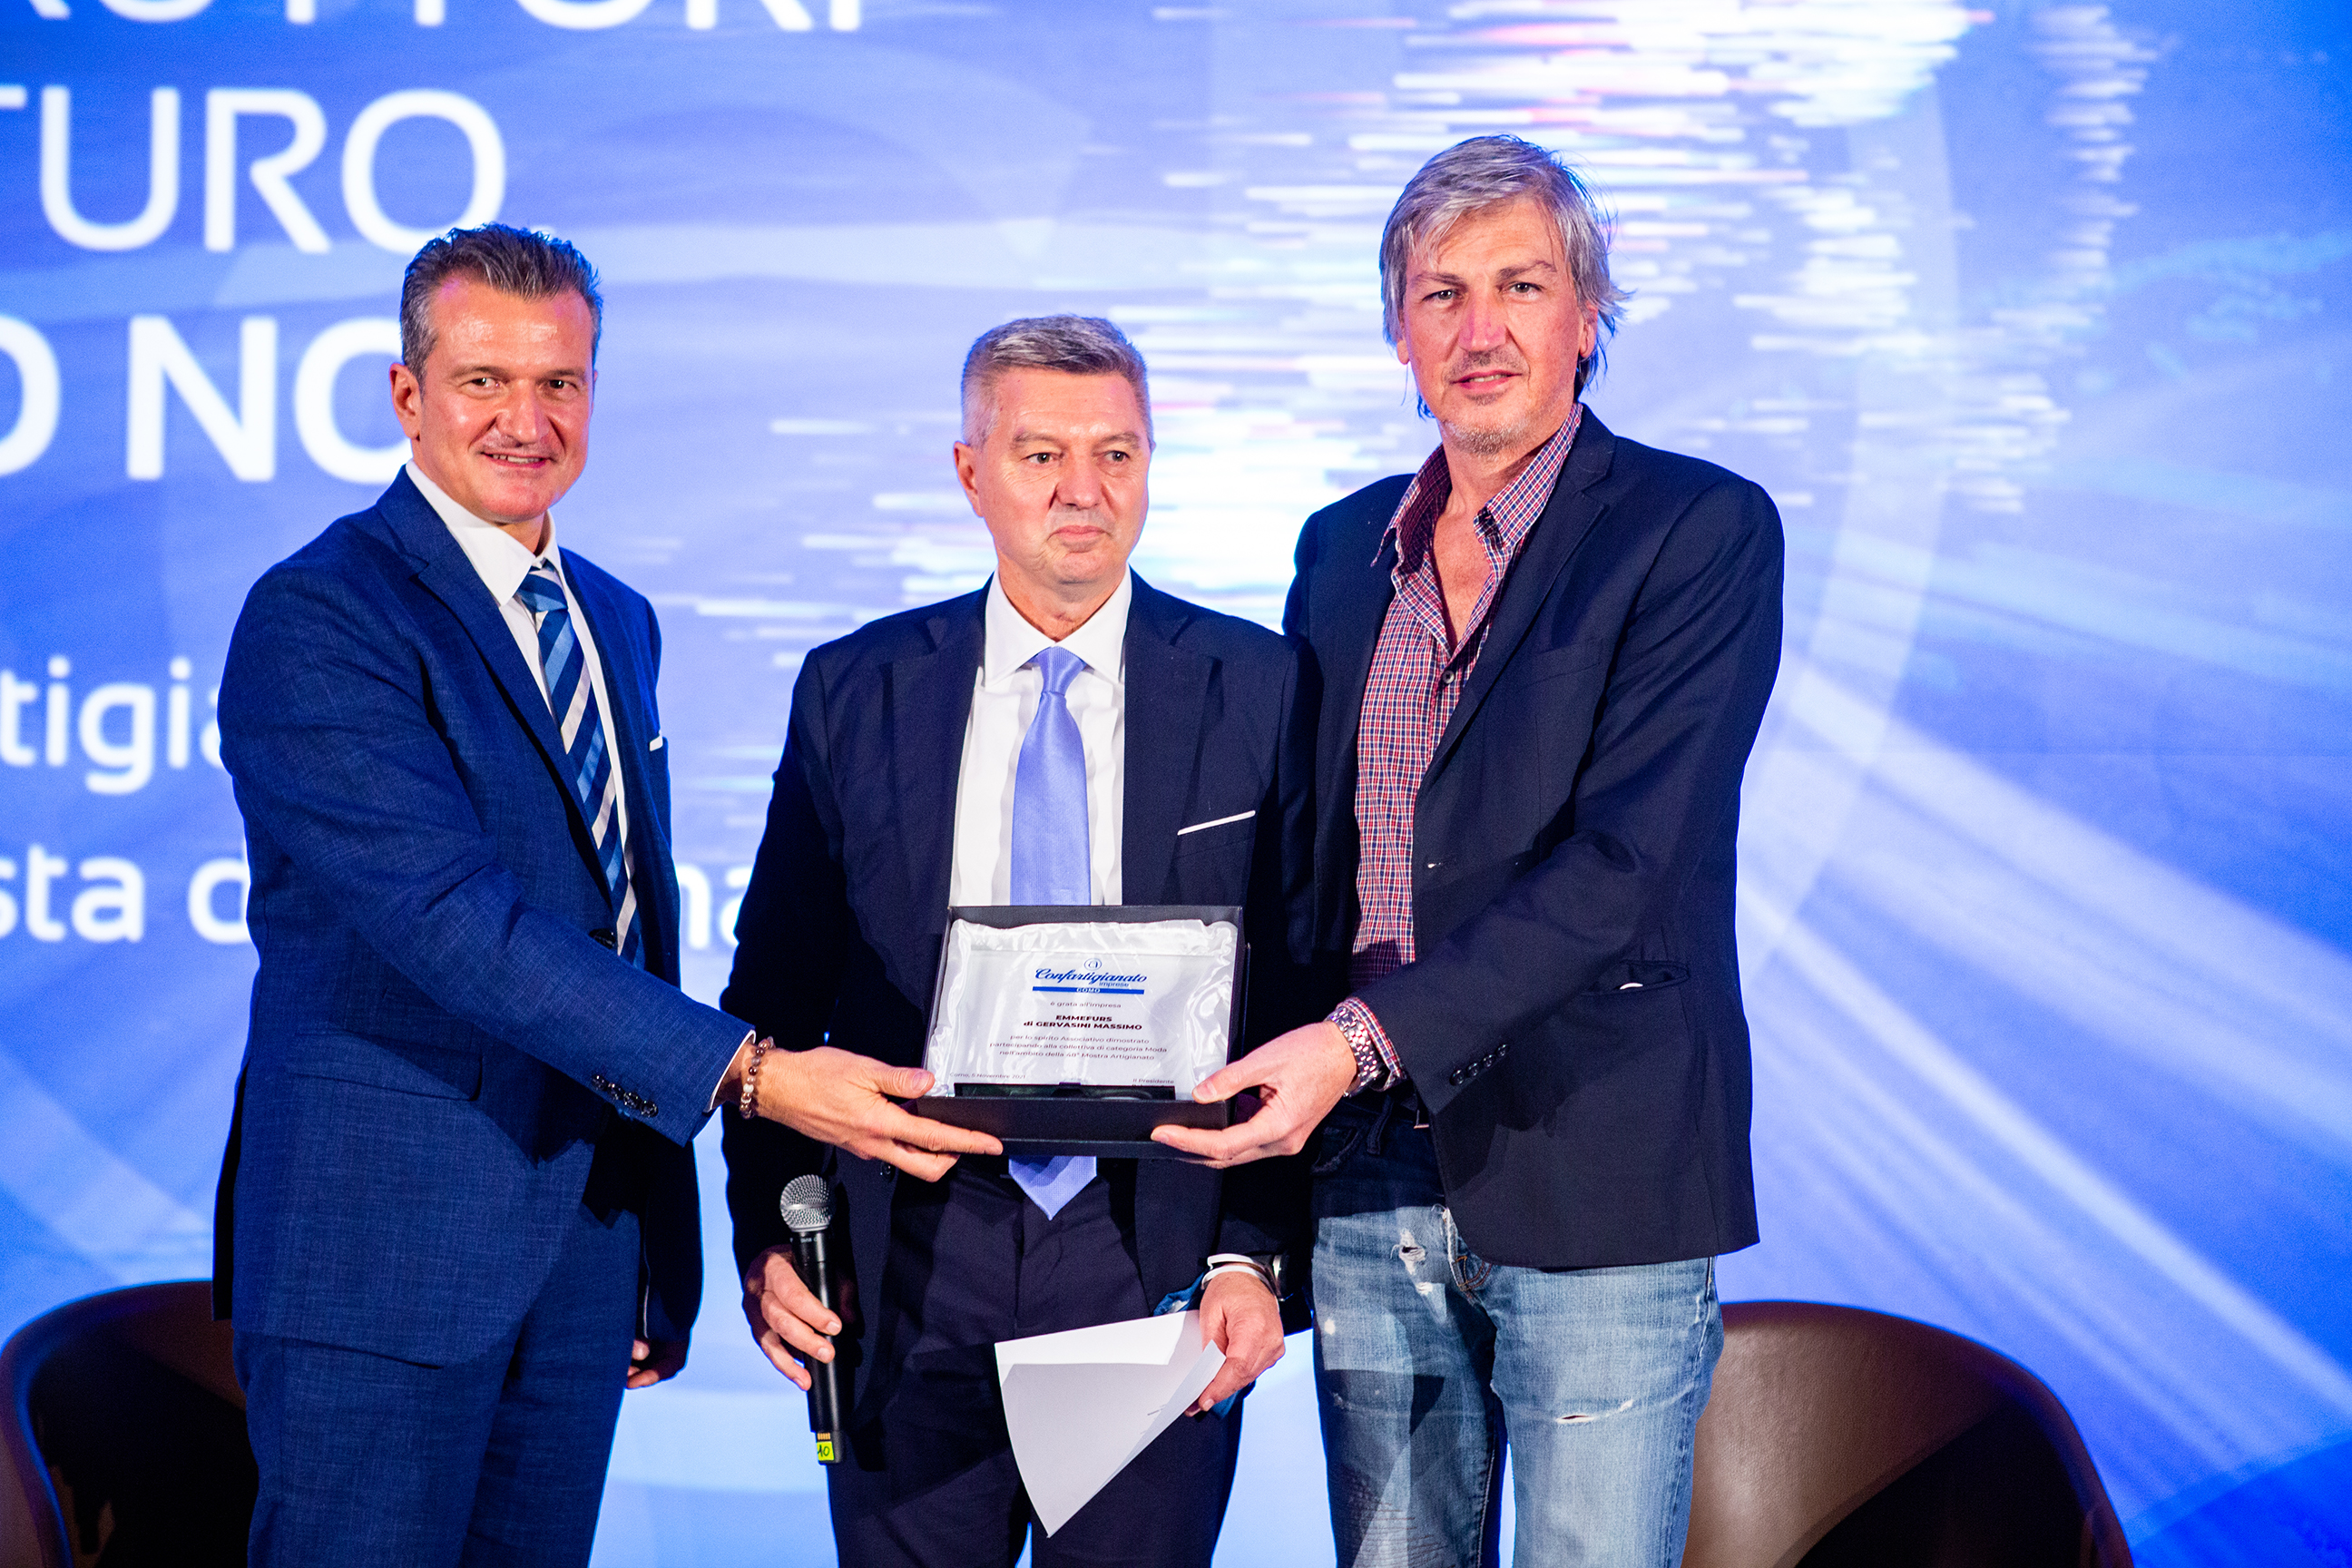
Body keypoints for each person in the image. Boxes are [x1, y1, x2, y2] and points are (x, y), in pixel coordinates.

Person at [211, 222, 992, 1568]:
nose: (526, 420)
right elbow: (456, 924)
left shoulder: (612, 618)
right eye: (483, 381)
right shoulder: (321, 616)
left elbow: (625, 928)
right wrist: (755, 1075)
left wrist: (655, 1236)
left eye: (559, 382)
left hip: (578, 1252)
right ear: (407, 394)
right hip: (379, 1259)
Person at [1155, 136, 1786, 1566]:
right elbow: (1306, 887)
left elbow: (1625, 868)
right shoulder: (1340, 551)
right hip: (1368, 1179)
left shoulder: (1698, 529)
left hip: (1596, 1171)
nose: (1479, 329)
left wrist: (1358, 1042)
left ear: (1589, 316)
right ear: (1399, 329)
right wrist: (1251, 1215)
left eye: (1522, 286)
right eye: (1441, 293)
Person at [720, 315, 1313, 1568]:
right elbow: (773, 992)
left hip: (1150, 1254)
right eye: (1041, 455)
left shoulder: (1259, 687)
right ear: (969, 471)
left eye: (1116, 454)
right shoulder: (855, 688)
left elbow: (1295, 1000)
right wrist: (772, 1234)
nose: (1082, 491)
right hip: (902, 1260)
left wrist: (1252, 1255)